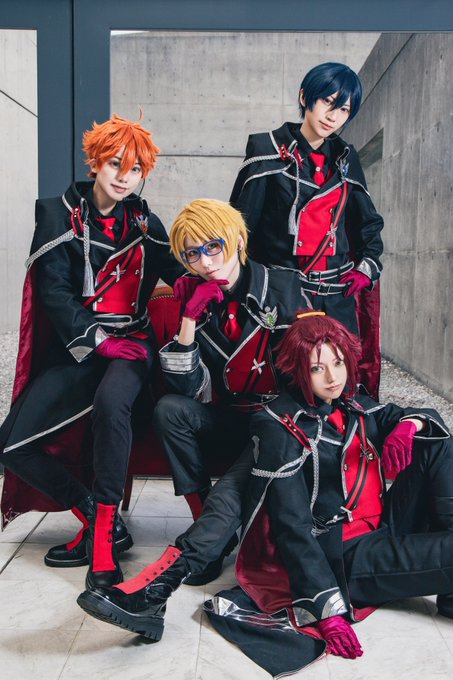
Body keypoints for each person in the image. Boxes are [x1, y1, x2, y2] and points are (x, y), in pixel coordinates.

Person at [78, 311, 452, 677]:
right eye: (318, 368)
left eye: (338, 363)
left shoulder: (354, 403)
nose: (333, 377)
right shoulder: (281, 427)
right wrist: (327, 612)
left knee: (438, 445)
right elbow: (292, 526)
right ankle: (154, 589)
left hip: (384, 524)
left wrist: (409, 425)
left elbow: (413, 414)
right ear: (298, 370)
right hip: (346, 553)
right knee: (229, 497)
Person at [76, 197, 310, 629]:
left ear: (238, 240)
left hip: (280, 425)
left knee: (232, 490)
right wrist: (188, 320)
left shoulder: (283, 285)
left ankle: (149, 591)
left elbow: (318, 366)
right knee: (170, 409)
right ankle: (205, 526)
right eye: (192, 254)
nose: (206, 262)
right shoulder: (196, 295)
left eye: (214, 247)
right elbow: (189, 390)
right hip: (231, 417)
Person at [0, 114, 183, 589]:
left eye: (135, 169)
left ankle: (102, 543)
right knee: (12, 446)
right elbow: (54, 293)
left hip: (132, 348)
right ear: (96, 161)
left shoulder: (145, 221)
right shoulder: (57, 216)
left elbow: (178, 272)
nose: (124, 176)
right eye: (116, 164)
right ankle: (96, 514)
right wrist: (100, 340)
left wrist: (209, 282)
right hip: (82, 349)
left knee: (111, 403)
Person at [230, 62, 384, 397]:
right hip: (284, 294)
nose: (333, 116)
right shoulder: (267, 149)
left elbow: (368, 224)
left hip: (337, 295)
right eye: (327, 102)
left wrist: (365, 270)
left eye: (343, 109)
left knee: (341, 388)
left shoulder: (346, 159)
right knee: (287, 387)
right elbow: (239, 227)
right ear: (305, 97)